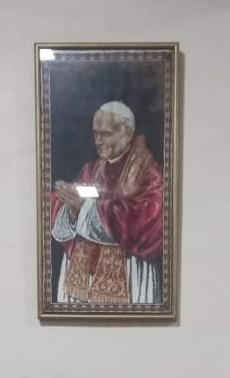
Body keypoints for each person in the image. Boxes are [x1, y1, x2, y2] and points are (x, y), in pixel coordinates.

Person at [51, 102, 163, 306]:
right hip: (85, 274)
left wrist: (85, 209)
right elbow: (73, 204)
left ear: (127, 134)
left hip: (129, 273)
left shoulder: (148, 172)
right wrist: (70, 207)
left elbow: (147, 220)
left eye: (105, 134)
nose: (98, 141)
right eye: (95, 134)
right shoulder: (91, 170)